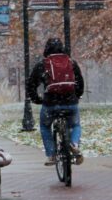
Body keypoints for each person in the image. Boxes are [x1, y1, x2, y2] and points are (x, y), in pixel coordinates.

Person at [26, 37, 85, 166]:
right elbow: (80, 82)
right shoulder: (71, 62)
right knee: (75, 125)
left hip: (50, 103)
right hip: (70, 102)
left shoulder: (43, 64)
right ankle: (74, 144)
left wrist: (37, 99)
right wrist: (77, 95)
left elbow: (31, 84)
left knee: (45, 126)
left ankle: (52, 155)